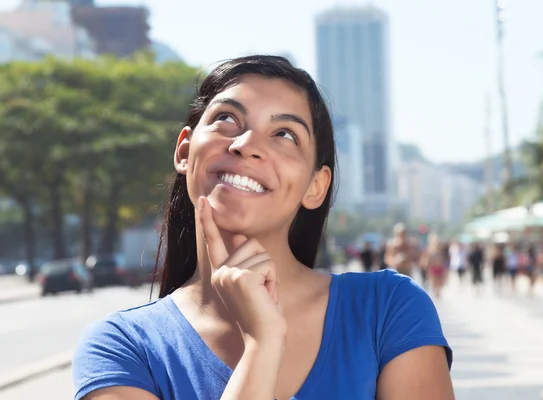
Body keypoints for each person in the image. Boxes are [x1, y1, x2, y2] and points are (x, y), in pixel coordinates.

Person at [72, 55, 453, 400]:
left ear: (315, 186)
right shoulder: (119, 349)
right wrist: (261, 345)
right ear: (185, 152)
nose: (247, 144)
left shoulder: (388, 310)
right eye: (227, 119)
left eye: (285, 134)